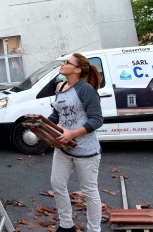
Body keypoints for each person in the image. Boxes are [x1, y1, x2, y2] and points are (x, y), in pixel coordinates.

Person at [48, 53, 103, 232]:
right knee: (57, 184)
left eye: (67, 62)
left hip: (86, 151)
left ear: (77, 69)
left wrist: (73, 133)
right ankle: (66, 226)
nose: (62, 64)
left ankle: (94, 229)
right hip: (63, 148)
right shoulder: (60, 85)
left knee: (89, 192)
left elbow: (96, 120)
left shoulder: (85, 89)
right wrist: (44, 127)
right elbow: (57, 114)